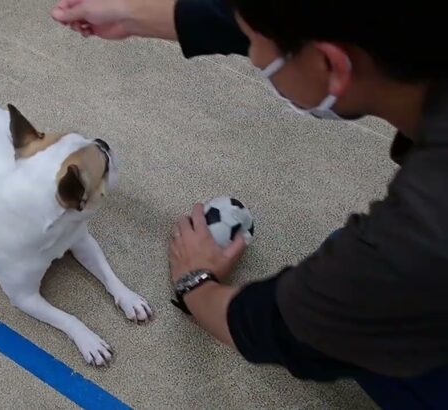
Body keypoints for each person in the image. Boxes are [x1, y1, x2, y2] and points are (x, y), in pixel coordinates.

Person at [52, 0, 448, 406]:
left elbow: (280, 325)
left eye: (258, 55)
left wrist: (196, 284)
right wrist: (130, 14)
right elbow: (281, 23)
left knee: (360, 331)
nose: (254, 56)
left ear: (333, 66)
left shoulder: (408, 245)